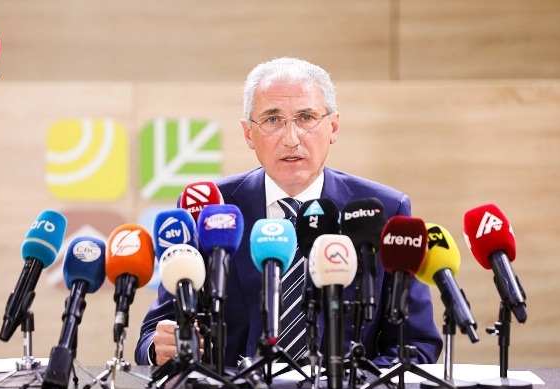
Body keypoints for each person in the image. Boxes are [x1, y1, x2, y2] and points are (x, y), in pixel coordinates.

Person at [135, 57, 442, 368]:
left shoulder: (386, 211)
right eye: (272, 119)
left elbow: (416, 344)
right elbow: (154, 334)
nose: (291, 138)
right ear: (248, 133)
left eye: (306, 117)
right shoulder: (209, 209)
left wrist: (354, 385)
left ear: (333, 127)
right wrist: (159, 348)